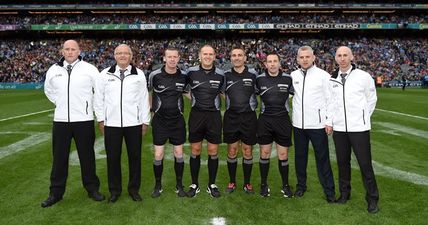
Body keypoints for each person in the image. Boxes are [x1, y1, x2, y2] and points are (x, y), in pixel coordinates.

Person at [42, 39, 105, 207]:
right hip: (61, 121)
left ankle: (92, 189)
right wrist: (60, 103)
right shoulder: (53, 70)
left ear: (79, 51)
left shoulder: (90, 69)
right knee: (59, 158)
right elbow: (48, 90)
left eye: (73, 49)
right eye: (67, 49)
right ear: (62, 51)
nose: (70, 52)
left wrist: (90, 109)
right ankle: (56, 193)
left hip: (83, 120)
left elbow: (99, 92)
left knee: (87, 157)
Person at [94, 44, 150, 203]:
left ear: (131, 56)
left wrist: (145, 121)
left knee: (135, 158)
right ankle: (115, 191)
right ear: (115, 55)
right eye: (119, 53)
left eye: (126, 53)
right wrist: (101, 119)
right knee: (112, 158)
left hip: (134, 123)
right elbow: (98, 99)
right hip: (111, 124)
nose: (123, 56)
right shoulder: (104, 74)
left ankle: (134, 189)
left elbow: (144, 99)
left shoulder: (139, 74)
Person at [328, 46, 379, 213]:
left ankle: (372, 199)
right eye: (339, 55)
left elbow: (371, 99)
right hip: (340, 129)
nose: (342, 58)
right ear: (335, 58)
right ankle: (344, 194)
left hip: (359, 128)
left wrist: (363, 118)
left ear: (352, 57)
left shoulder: (363, 76)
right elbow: (330, 104)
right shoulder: (332, 78)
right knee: (343, 163)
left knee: (365, 164)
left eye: (345, 55)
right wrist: (332, 121)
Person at [290, 46, 336, 203]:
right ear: (297, 59)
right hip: (298, 125)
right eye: (301, 57)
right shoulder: (293, 75)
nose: (304, 59)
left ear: (313, 57)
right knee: (300, 158)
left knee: (322, 159)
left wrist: (329, 121)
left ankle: (329, 191)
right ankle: (301, 186)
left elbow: (331, 100)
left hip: (317, 125)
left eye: (307, 57)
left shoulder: (323, 76)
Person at [148, 47, 188, 198]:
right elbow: (150, 93)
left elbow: (188, 92)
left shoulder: (184, 76)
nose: (172, 59)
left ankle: (179, 185)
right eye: (169, 57)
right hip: (160, 121)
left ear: (179, 58)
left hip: (177, 121)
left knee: (179, 153)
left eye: (175, 57)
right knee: (158, 154)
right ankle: (158, 185)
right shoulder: (154, 75)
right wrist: (152, 112)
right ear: (164, 58)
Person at [186, 44, 225, 198]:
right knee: (195, 150)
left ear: (214, 56)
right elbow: (183, 89)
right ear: (200, 56)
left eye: (211, 54)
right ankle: (194, 184)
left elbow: (224, 93)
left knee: (213, 151)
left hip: (214, 116)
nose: (208, 57)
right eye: (205, 54)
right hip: (196, 116)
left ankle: (211, 184)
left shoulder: (221, 74)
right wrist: (195, 100)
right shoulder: (190, 72)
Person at [255, 53, 294, 198]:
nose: (272, 64)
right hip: (265, 120)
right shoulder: (259, 79)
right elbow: (253, 97)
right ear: (265, 64)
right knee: (264, 153)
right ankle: (264, 185)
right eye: (269, 61)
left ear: (279, 63)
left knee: (283, 155)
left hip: (283, 120)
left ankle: (285, 185)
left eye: (275, 61)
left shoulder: (288, 78)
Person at [223, 47, 258, 194]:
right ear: (230, 58)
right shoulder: (225, 76)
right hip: (231, 117)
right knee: (232, 150)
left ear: (245, 58)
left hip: (248, 118)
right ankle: (232, 182)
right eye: (234, 55)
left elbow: (259, 92)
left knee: (247, 151)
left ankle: (247, 183)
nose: (237, 58)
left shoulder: (253, 75)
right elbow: (220, 93)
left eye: (240, 55)